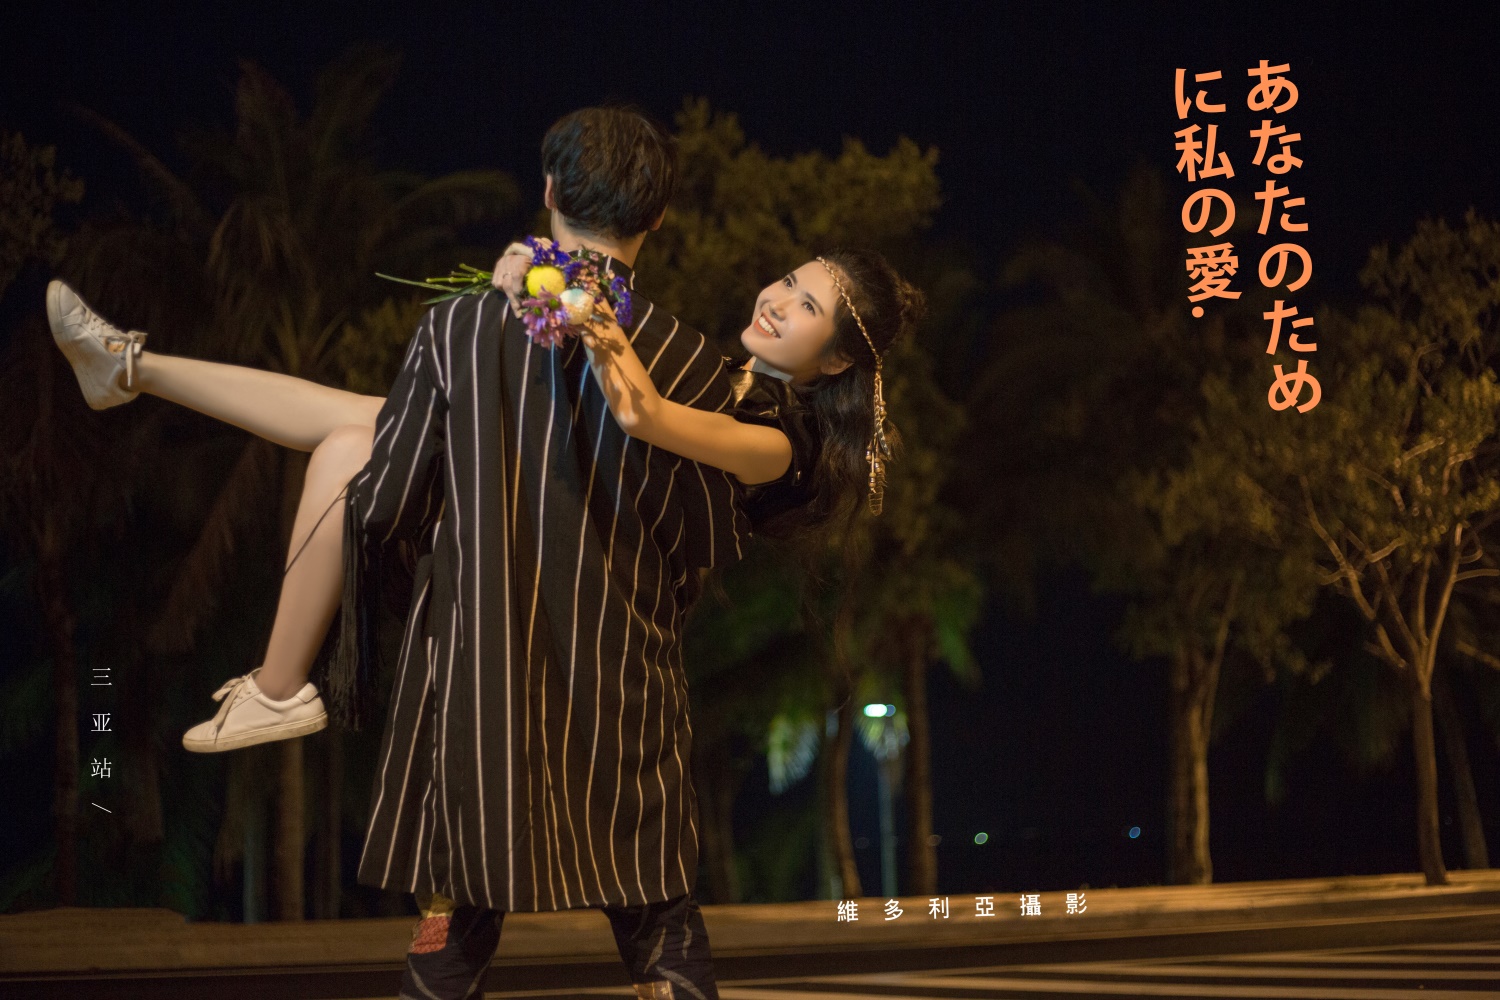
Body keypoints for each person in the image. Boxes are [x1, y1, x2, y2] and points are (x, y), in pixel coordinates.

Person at [47, 105, 924, 1000]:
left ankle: (272, 670)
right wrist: (558, 293)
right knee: (347, 425)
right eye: (790, 281)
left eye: (806, 306)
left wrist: (560, 294)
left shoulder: (768, 435)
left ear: (835, 365)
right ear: (657, 218)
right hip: (607, 685)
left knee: (350, 440)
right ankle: (132, 370)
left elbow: (638, 413)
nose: (777, 300)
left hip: (528, 677)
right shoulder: (692, 359)